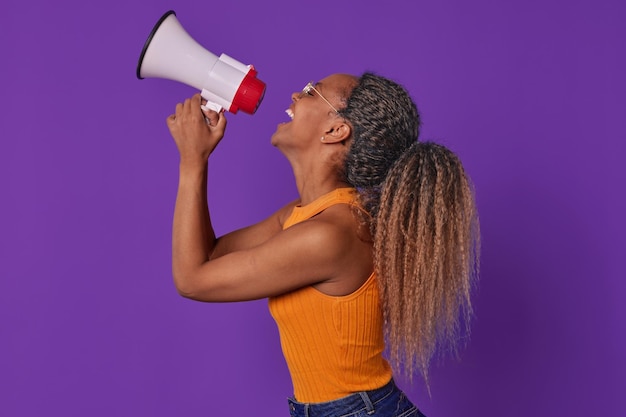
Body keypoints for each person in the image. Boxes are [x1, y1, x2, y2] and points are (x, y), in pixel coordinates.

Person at [165, 72, 480, 417]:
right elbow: (206, 256)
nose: (295, 95)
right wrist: (199, 157)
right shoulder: (305, 217)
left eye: (311, 92)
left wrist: (192, 163)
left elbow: (192, 279)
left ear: (336, 130)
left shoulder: (330, 233)